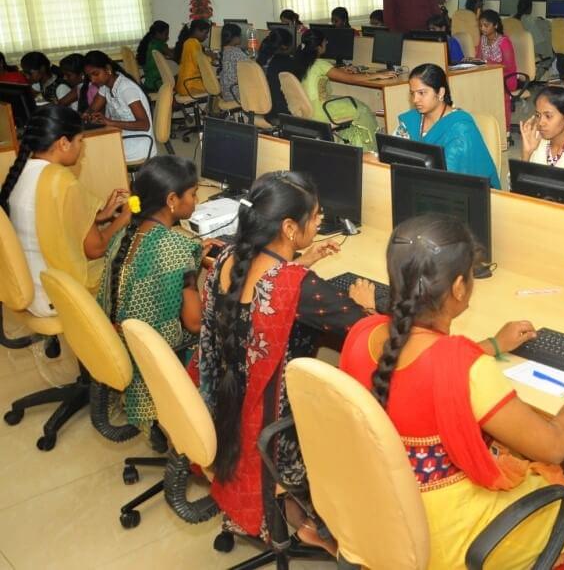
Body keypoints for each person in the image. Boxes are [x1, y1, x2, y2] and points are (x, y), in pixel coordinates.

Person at [339, 215, 564, 569]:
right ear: (459, 287)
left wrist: (491, 345)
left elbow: (420, 365)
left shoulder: (362, 333)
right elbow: (554, 445)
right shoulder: (463, 367)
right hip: (440, 537)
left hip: (379, 514)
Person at [198, 171, 374, 547]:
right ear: (290, 227)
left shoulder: (229, 256)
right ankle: (319, 525)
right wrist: (366, 304)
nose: (321, 220)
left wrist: (298, 263)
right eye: (315, 216)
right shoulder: (295, 285)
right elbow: (366, 330)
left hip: (228, 407)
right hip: (276, 430)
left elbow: (261, 296)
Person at [0, 106, 131, 316]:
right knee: (131, 259)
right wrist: (124, 218)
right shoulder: (62, 182)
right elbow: (95, 249)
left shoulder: (21, 171)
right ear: (63, 143)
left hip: (30, 286)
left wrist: (101, 216)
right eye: (80, 140)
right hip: (57, 295)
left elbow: (49, 220)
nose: (81, 148)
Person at [104, 156, 202, 429]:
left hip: (124, 342)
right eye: (193, 194)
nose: (196, 201)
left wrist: (191, 259)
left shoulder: (126, 231)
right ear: (172, 200)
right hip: (156, 354)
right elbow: (195, 324)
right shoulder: (176, 248)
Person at [394, 63, 501, 188]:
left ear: (440, 92)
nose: (415, 100)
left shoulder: (461, 129)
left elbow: (452, 176)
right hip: (418, 187)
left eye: (422, 93)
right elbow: (393, 152)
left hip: (454, 194)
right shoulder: (412, 120)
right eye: (412, 93)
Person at [293, 29, 379, 150]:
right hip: (321, 111)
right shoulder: (320, 64)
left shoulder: (299, 61)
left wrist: (340, 71)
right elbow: (350, 79)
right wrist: (375, 75)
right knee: (363, 109)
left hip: (305, 109)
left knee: (346, 102)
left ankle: (347, 145)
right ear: (319, 46)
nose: (326, 44)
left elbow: (320, 74)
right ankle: (369, 151)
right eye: (325, 42)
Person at [83, 50, 155, 163]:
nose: (92, 80)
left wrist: (110, 122)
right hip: (121, 137)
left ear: (108, 69)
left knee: (91, 155)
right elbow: (92, 109)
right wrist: (87, 115)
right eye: (89, 76)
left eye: (96, 74)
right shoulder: (105, 87)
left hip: (137, 144)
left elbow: (144, 125)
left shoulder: (126, 89)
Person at [475, 9, 520, 130]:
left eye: (486, 25)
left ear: (495, 25)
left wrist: (489, 63)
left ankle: (503, 130)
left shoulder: (504, 42)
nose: (482, 28)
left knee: (490, 89)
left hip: (506, 78)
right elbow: (478, 58)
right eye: (480, 25)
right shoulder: (483, 39)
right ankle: (485, 127)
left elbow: (509, 67)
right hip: (489, 76)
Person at [520, 85, 564, 168]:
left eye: (548, 116)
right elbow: (515, 180)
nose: (540, 123)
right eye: (538, 115)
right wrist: (526, 154)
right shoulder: (535, 140)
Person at [258, 28, 295, 120]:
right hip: (281, 111)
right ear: (285, 46)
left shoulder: (261, 59)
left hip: (264, 108)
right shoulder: (286, 62)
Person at [174, 19, 214, 97]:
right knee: (216, 88)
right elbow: (201, 63)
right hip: (190, 85)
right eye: (205, 33)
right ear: (197, 31)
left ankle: (208, 109)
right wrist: (211, 57)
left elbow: (196, 58)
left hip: (184, 84)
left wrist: (205, 55)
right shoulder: (193, 43)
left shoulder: (189, 42)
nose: (206, 36)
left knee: (214, 86)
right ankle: (210, 109)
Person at [517, 0, 553, 76]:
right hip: (532, 54)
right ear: (530, 9)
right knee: (552, 55)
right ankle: (535, 77)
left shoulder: (511, 20)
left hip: (518, 55)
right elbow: (543, 49)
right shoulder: (535, 22)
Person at [136, 20, 172, 92]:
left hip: (149, 83)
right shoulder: (158, 44)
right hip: (157, 83)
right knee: (178, 78)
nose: (167, 36)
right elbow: (173, 55)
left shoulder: (148, 43)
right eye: (166, 34)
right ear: (158, 34)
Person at [217, 23, 248, 103]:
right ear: (234, 37)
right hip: (235, 94)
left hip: (226, 93)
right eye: (240, 35)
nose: (241, 37)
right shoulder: (236, 52)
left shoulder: (225, 50)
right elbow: (250, 67)